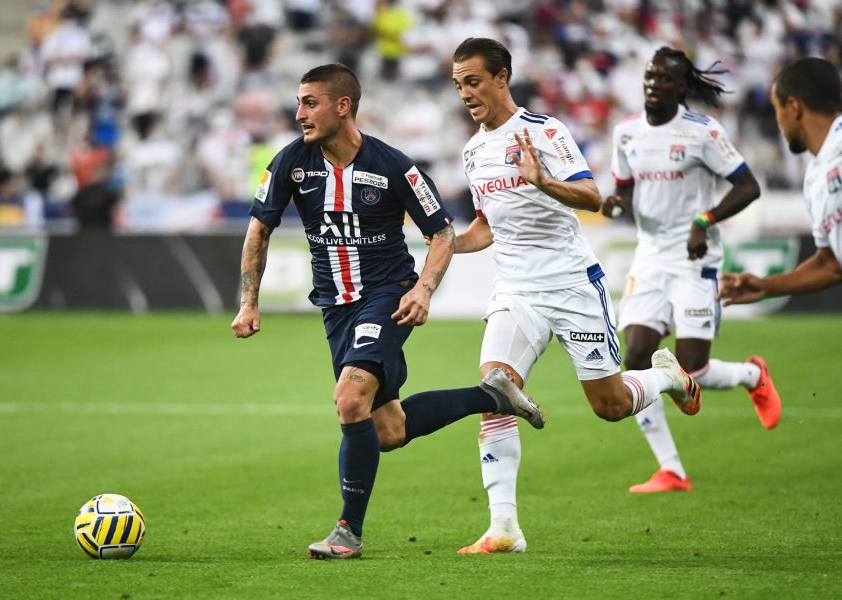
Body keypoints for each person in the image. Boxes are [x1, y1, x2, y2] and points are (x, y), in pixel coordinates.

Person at [230, 63, 544, 560]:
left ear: (342, 106)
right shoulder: (290, 162)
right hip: (335, 307)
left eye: (310, 103)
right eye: (298, 103)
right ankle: (492, 394)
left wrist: (422, 290)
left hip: (386, 294)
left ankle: (347, 533)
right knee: (388, 430)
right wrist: (249, 301)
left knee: (350, 398)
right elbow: (258, 230)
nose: (299, 114)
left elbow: (440, 233)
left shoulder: (396, 167)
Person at [449, 37, 702, 555]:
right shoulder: (473, 151)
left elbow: (592, 196)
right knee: (493, 392)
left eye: (473, 81)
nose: (465, 94)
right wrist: (443, 245)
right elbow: (484, 227)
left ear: (501, 77)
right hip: (516, 289)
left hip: (570, 284)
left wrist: (541, 180)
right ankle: (504, 529)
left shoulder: (544, 132)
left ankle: (666, 376)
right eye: (458, 85)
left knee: (609, 406)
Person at [604, 47, 783, 494]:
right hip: (649, 257)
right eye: (649, 75)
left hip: (694, 260)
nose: (653, 84)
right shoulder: (626, 133)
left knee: (692, 371)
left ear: (682, 86)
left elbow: (748, 185)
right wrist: (614, 203)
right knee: (637, 359)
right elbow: (624, 189)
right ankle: (672, 470)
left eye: (664, 78)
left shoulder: (703, 133)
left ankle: (752, 376)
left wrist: (705, 221)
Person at [720, 56, 842, 304]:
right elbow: (831, 264)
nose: (778, 122)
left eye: (777, 110)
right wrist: (766, 286)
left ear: (794, 107)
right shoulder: (815, 177)